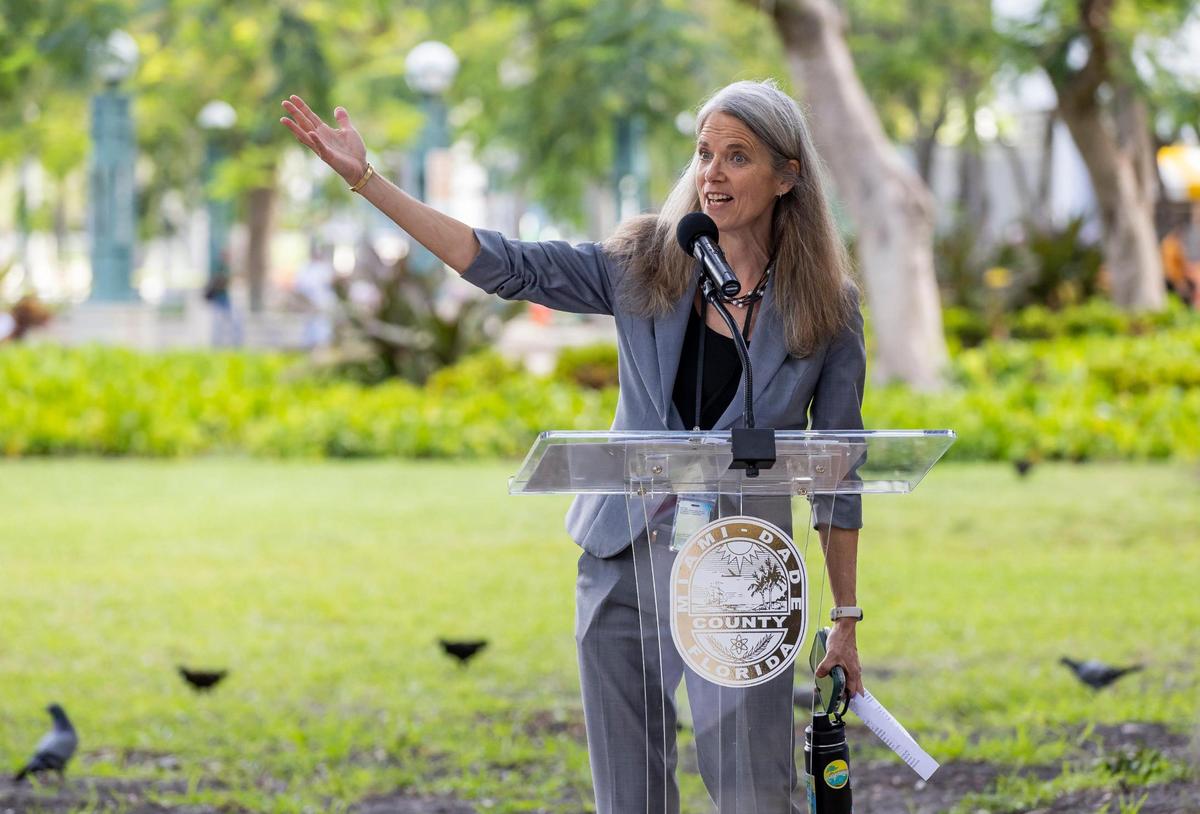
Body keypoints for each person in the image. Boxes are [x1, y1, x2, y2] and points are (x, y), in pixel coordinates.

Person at [281, 79, 865, 813]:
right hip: (624, 556)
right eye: (704, 153)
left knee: (753, 792)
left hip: (743, 572)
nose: (712, 173)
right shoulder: (647, 261)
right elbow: (504, 263)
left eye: (737, 157)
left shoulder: (827, 307)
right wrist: (368, 181)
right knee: (629, 794)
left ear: (787, 176)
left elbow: (840, 473)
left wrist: (846, 617)